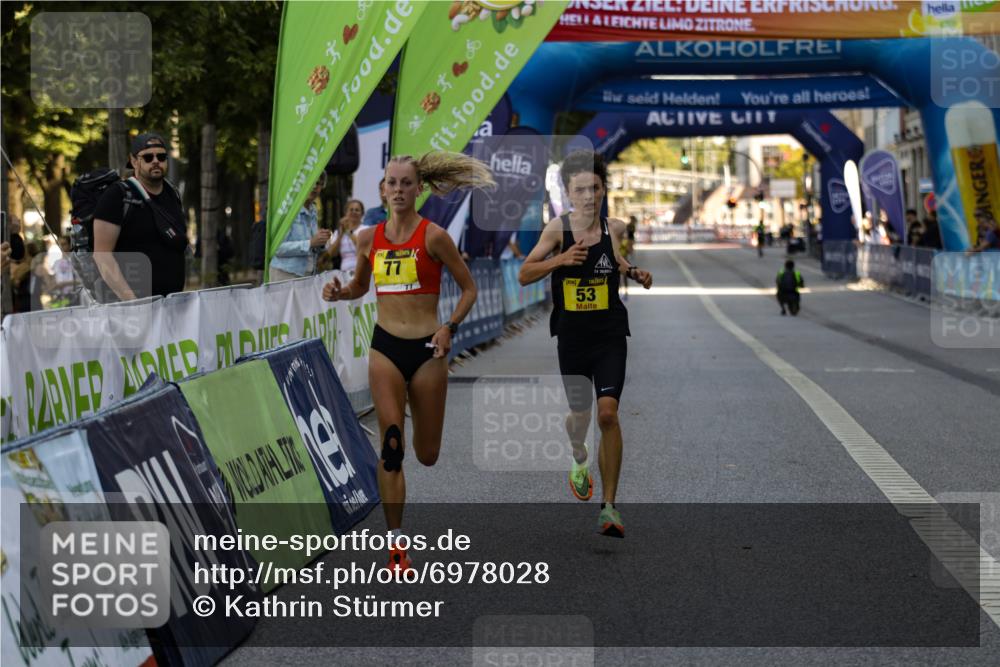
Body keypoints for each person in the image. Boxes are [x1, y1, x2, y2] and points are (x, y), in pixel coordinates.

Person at [322, 152, 493, 570]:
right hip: (385, 348)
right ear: (382, 189)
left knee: (428, 453)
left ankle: (417, 440)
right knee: (392, 446)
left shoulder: (434, 237)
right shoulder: (368, 238)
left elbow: (468, 289)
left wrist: (448, 326)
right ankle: (396, 544)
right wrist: (341, 292)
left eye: (405, 183)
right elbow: (361, 286)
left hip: (427, 351)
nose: (397, 190)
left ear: (420, 189)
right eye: (391, 183)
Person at [519, 150, 652, 538]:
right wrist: (559, 262)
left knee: (607, 414)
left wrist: (634, 272)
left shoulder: (615, 227)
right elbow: (525, 273)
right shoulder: (556, 232)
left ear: (604, 189)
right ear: (568, 193)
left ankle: (609, 507)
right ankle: (579, 452)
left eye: (595, 188)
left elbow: (615, 258)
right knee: (580, 416)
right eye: (581, 190)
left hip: (610, 334)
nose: (589, 196)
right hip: (572, 338)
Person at [93, 132, 188, 299]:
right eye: (148, 158)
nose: (156, 161)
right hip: (133, 308)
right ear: (134, 161)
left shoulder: (172, 193)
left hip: (172, 305)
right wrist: (132, 301)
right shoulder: (117, 196)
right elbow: (102, 255)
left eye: (161, 156)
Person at [269, 172, 331, 282]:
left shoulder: (313, 209)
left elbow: (312, 243)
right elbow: (277, 248)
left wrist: (321, 241)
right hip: (285, 274)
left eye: (318, 184)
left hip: (307, 274)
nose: (314, 187)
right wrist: (310, 243)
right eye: (311, 181)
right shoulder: (287, 209)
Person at [326, 199, 364, 272]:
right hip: (344, 272)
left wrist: (348, 231)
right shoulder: (339, 232)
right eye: (351, 210)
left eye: (357, 210)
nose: (354, 212)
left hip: (362, 271)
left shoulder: (366, 229)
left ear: (362, 214)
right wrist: (341, 235)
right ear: (346, 213)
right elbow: (331, 254)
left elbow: (363, 248)